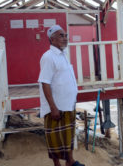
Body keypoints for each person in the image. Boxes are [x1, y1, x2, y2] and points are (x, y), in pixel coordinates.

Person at [38, 25, 84, 166]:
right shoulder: (48, 57)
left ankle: (70, 161)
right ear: (52, 39)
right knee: (54, 138)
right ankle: (57, 164)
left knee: (67, 136)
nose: (65, 38)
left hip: (67, 104)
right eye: (61, 35)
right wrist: (53, 107)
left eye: (65, 35)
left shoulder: (62, 55)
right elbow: (44, 83)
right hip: (56, 106)